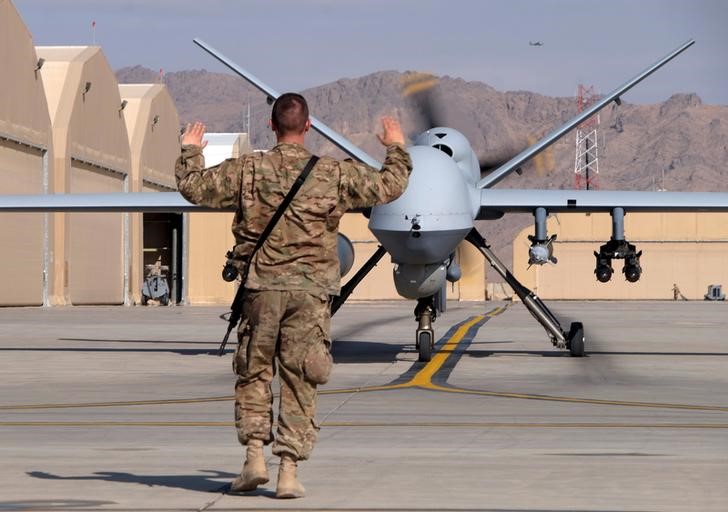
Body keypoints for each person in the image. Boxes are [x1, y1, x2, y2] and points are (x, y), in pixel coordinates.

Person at [175, 93, 412, 499]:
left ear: (271, 126)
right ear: (308, 126)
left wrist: (190, 151)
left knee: (254, 371)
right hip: (311, 293)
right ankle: (287, 470)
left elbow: (194, 188)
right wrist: (396, 146)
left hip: (260, 289)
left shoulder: (249, 169)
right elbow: (391, 185)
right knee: (301, 376)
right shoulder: (334, 174)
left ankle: (253, 457)